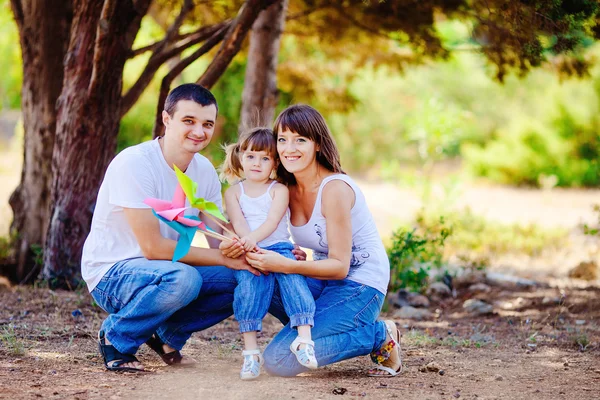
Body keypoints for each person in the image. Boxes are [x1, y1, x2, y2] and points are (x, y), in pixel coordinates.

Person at [81, 83, 253, 372]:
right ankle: (116, 336)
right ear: (166, 119)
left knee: (239, 278)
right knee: (184, 279)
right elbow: (153, 247)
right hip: (113, 272)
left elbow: (215, 234)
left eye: (207, 124)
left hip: (165, 269)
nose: (199, 132)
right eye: (189, 121)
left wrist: (240, 246)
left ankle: (165, 336)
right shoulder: (135, 163)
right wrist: (224, 258)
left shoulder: (204, 171)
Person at [245, 104, 403, 377]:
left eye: (300, 140)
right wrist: (289, 253)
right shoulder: (284, 189)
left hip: (359, 283)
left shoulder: (335, 189)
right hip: (324, 278)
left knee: (279, 360)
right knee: (264, 279)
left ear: (317, 144)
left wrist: (286, 265)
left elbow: (340, 266)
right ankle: (320, 330)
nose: (288, 148)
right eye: (282, 139)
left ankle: (378, 335)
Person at [220, 128, 317, 380]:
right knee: (248, 291)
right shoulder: (233, 193)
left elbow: (273, 221)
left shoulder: (279, 189)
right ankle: (251, 353)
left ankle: (304, 341)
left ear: (275, 162)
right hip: (249, 250)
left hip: (279, 248)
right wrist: (247, 244)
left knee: (294, 283)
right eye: (251, 156)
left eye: (265, 158)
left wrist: (252, 239)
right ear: (240, 157)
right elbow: (239, 224)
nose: (257, 163)